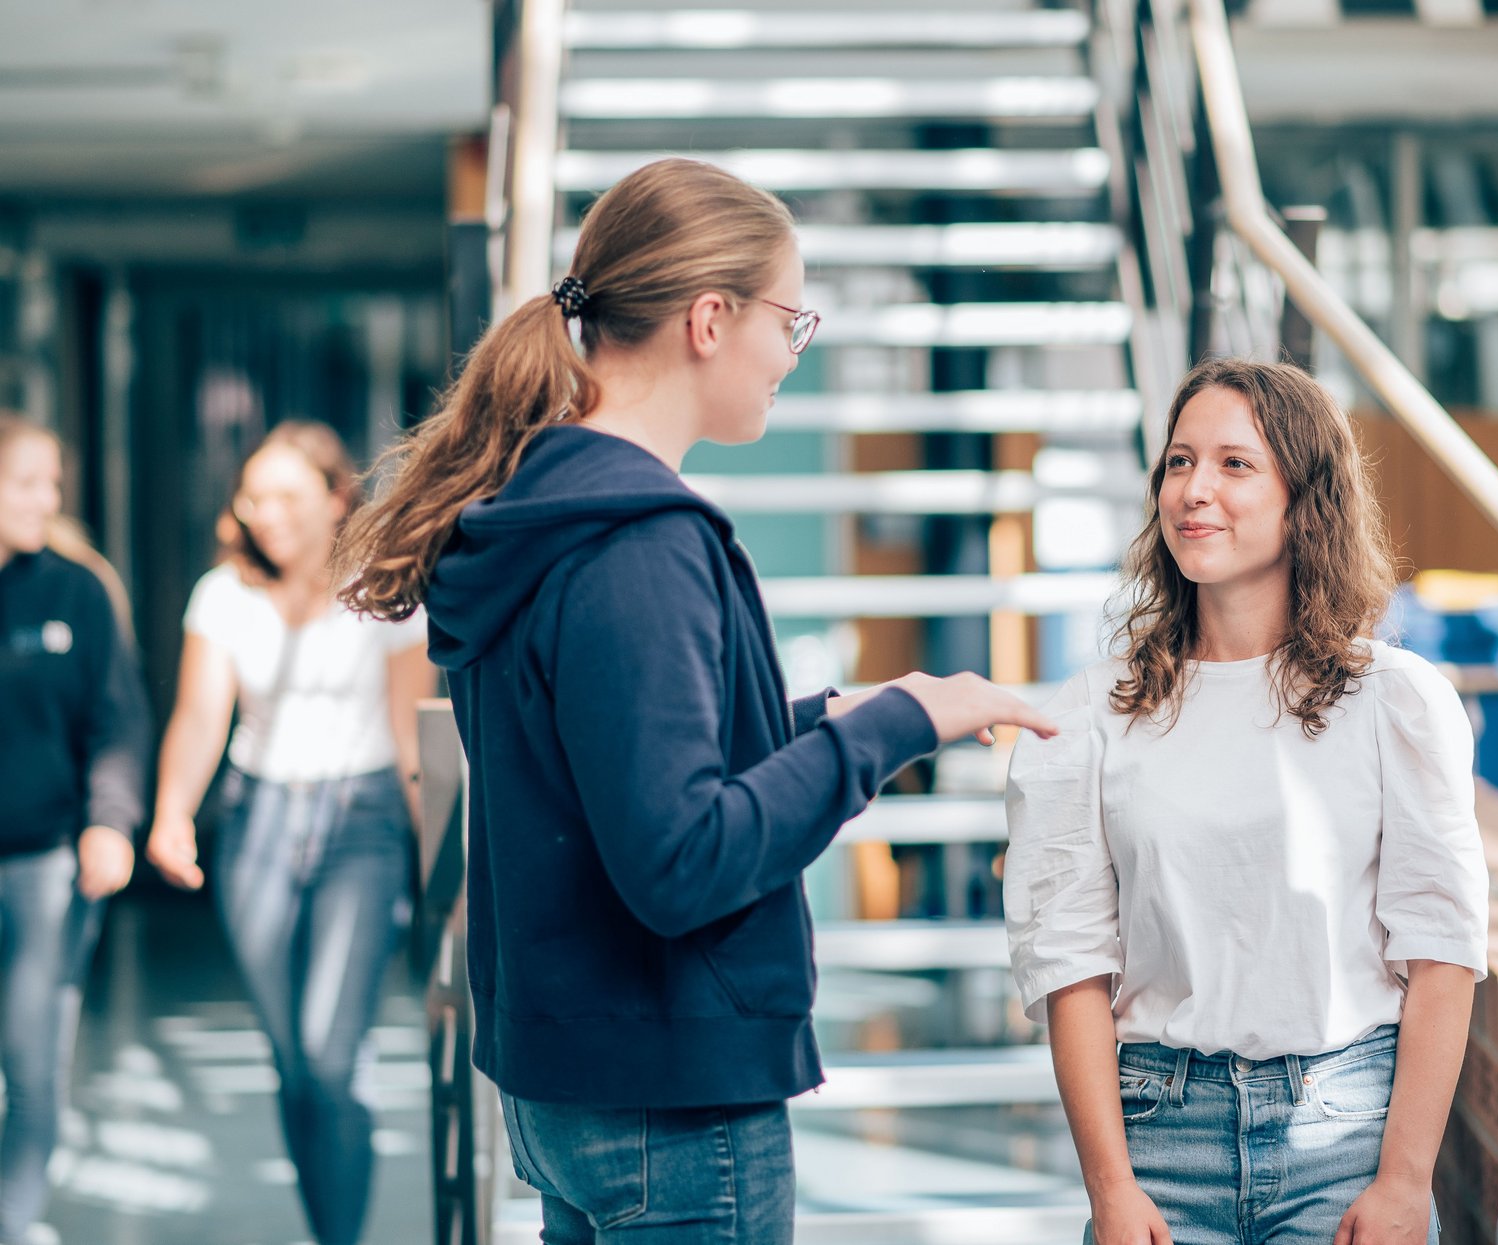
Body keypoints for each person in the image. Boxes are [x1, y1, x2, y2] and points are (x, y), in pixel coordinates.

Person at [332, 156, 1055, 1245]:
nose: (793, 354)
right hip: (671, 1109)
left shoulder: (541, 513)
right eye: (789, 321)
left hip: (571, 1086)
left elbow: (608, 762)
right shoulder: (642, 543)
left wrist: (830, 719)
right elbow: (681, 860)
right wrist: (892, 730)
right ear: (710, 319)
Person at [1005, 357, 1490, 1245]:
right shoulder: (1091, 712)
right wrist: (1110, 1189)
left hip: (1349, 1138)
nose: (1195, 489)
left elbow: (1442, 952)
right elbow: (1070, 965)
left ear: (1306, 500)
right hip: (1157, 1141)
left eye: (1235, 464)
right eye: (1179, 461)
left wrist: (1404, 1179)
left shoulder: (1394, 701)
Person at [146, 420, 437, 1245]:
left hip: (363, 824)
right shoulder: (224, 594)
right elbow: (201, 716)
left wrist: (444, 864)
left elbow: (411, 735)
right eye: (253, 498)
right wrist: (172, 811)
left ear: (337, 497)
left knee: (328, 1056)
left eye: (284, 496)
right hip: (259, 821)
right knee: (291, 1060)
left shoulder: (385, 584)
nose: (264, 514)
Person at [0, 416, 149, 1245]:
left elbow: (117, 719)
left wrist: (109, 823)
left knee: (31, 1060)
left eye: (51, 482)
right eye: (26, 482)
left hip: (46, 867)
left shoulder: (78, 592)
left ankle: (10, 1219)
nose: (46, 499)